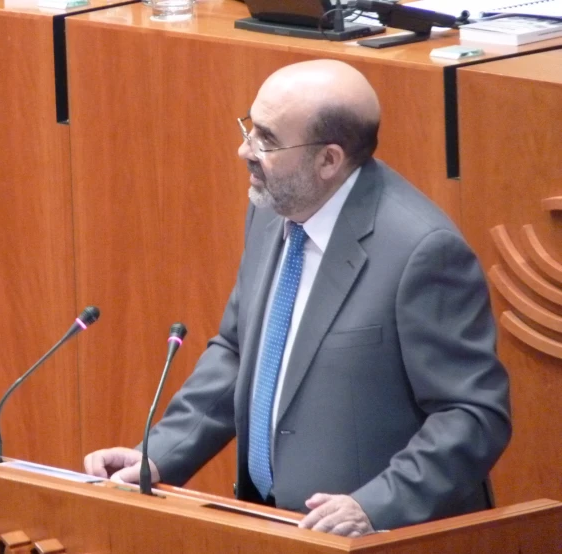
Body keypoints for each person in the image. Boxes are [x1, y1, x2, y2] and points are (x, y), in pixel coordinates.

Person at [83, 60, 511, 537]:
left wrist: (375, 506)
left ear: (329, 160)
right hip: (270, 526)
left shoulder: (423, 252)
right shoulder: (274, 209)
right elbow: (238, 352)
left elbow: (473, 415)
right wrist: (159, 454)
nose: (242, 149)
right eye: (249, 126)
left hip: (376, 541)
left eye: (265, 139)